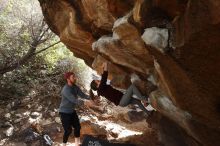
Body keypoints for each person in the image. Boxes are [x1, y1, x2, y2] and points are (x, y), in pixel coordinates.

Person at [59, 72, 93, 146]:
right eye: (73, 77)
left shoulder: (75, 87)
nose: (75, 78)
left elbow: (82, 94)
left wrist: (91, 98)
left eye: (75, 76)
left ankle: (77, 144)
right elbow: (74, 100)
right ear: (68, 79)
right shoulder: (66, 90)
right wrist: (86, 103)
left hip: (72, 111)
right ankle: (64, 144)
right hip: (64, 112)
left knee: (77, 127)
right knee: (68, 130)